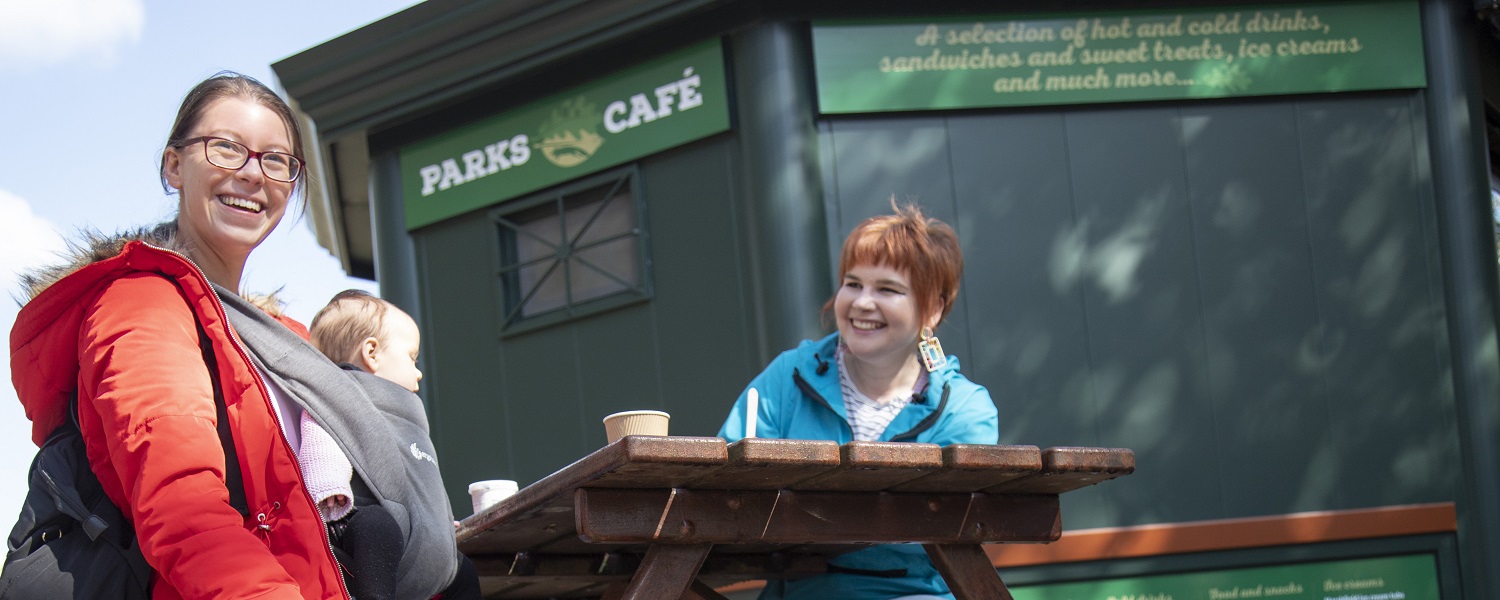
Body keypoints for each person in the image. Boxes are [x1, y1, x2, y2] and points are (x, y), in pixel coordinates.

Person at [9, 72, 449, 600]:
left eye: (275, 160)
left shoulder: (286, 339)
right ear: (174, 165)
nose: (252, 174)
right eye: (226, 149)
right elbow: (183, 511)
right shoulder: (143, 305)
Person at [717, 203, 999, 600]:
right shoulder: (787, 375)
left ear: (932, 308)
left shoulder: (964, 408)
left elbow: (953, 530)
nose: (862, 303)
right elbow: (725, 494)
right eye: (853, 283)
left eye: (887, 289)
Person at [304, 289, 482, 600]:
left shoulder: (406, 413)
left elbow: (419, 475)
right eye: (412, 357)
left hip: (419, 544)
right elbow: (319, 433)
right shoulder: (340, 395)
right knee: (377, 527)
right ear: (371, 354)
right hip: (361, 530)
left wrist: (433, 519)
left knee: (463, 572)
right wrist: (328, 492)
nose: (419, 371)